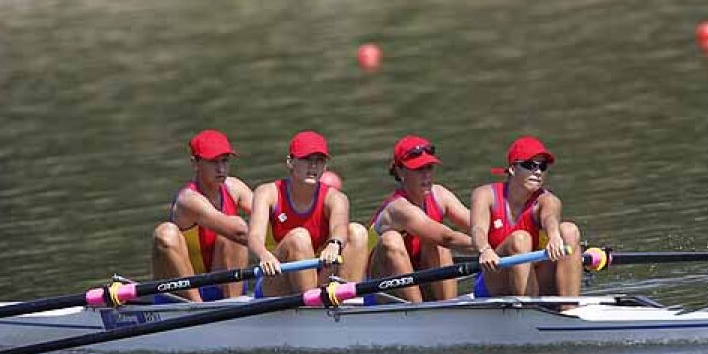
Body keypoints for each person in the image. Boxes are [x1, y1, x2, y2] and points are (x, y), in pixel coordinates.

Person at [248, 131, 368, 296]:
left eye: (319, 161)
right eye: (306, 159)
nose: (313, 166)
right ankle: (314, 305)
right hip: (277, 278)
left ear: (325, 167)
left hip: (321, 276)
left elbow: (339, 228)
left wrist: (334, 244)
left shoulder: (336, 198)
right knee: (299, 237)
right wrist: (264, 255)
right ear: (290, 162)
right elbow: (254, 237)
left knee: (358, 232)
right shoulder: (267, 193)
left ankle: (347, 302)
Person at [469, 135, 582, 298]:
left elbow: (550, 217)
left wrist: (554, 236)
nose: (538, 172)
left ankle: (569, 307)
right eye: (530, 165)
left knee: (569, 231)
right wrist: (485, 250)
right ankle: (529, 308)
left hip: (537, 278)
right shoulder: (485, 195)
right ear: (513, 169)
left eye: (542, 166)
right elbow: (477, 229)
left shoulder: (548, 200)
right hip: (494, 278)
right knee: (520, 239)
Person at [367, 135, 475, 302]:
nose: (426, 176)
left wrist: (507, 240)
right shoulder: (398, 208)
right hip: (383, 292)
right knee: (393, 239)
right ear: (400, 172)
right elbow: (448, 238)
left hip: (419, 280)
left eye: (429, 168)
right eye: (418, 169)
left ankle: (449, 306)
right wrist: (485, 247)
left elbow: (478, 225)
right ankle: (418, 311)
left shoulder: (440, 195)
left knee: (435, 243)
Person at [151, 130, 253, 301]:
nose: (221, 169)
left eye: (225, 161)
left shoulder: (235, 187)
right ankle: (197, 307)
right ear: (195, 164)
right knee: (165, 233)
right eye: (213, 162)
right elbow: (240, 232)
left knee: (233, 234)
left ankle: (234, 304)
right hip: (182, 294)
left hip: (220, 285)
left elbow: (272, 216)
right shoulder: (188, 200)